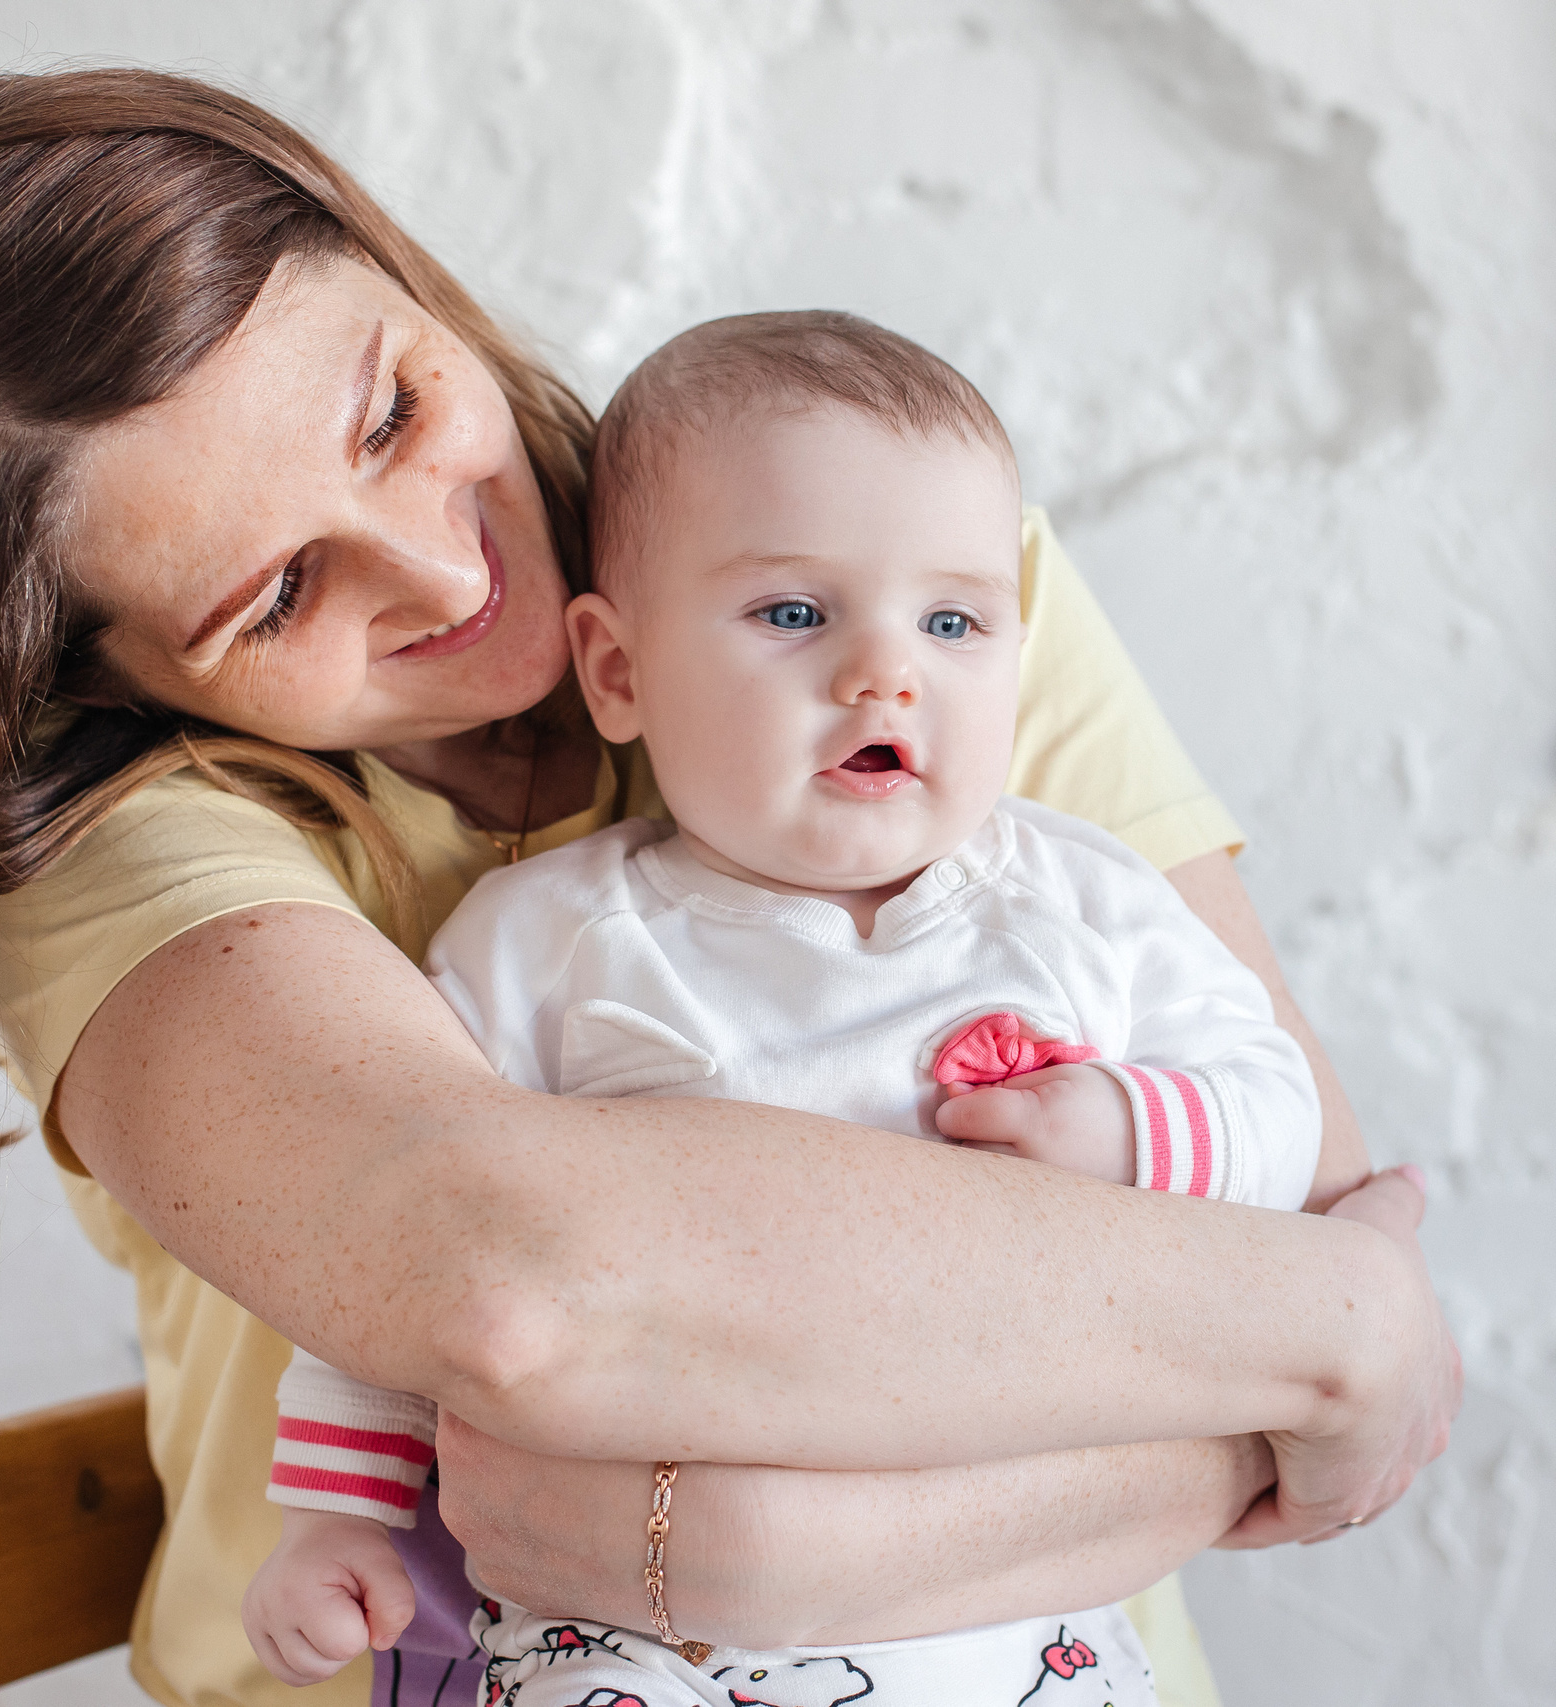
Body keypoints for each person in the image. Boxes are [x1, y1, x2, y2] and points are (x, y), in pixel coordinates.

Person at [0, 68, 1459, 1707]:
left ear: (399, 267)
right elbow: (519, 1287)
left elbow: (1292, 1201)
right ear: (105, 680)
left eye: (391, 410)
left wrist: (776, 1549)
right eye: (276, 597)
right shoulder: (94, 838)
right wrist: (1322, 1345)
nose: (444, 573)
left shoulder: (889, 580)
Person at [244, 311, 1335, 1707]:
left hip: (1006, 1609)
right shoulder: (549, 944)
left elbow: (1276, 1107)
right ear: (620, 670)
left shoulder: (1083, 902)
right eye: (795, 615)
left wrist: (1126, 1128)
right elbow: (399, 1243)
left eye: (952, 622)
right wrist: (335, 1519)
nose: (887, 672)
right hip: (631, 1626)